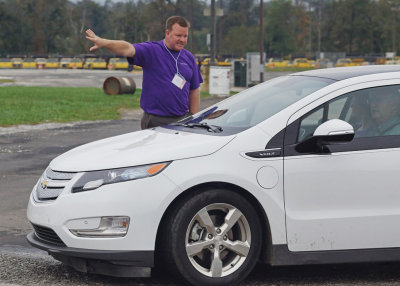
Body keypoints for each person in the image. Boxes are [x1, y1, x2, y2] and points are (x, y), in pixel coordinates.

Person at [85, 16, 203, 129]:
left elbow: (194, 90)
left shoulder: (189, 58)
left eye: (185, 36)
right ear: (167, 33)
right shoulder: (152, 50)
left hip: (182, 120)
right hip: (156, 121)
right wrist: (103, 42)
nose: (182, 40)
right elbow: (128, 49)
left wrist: (192, 117)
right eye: (178, 35)